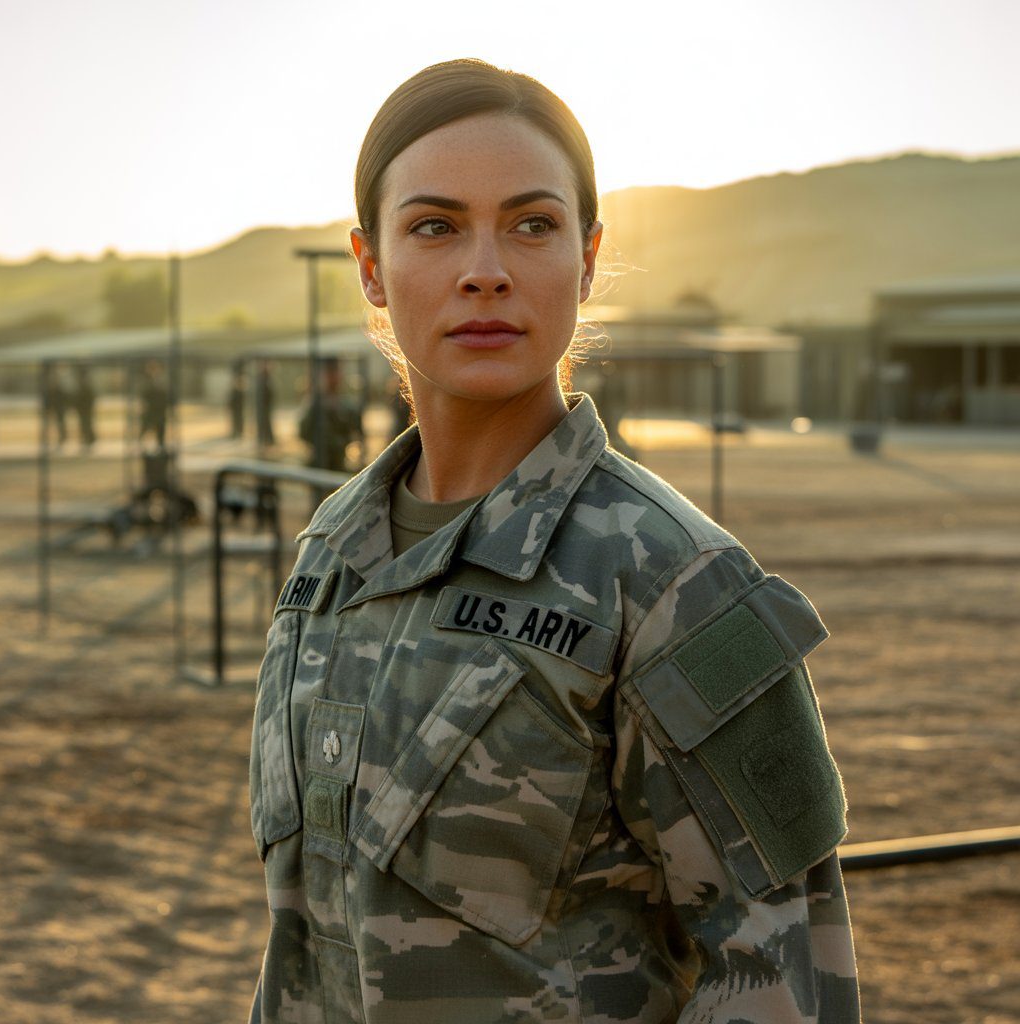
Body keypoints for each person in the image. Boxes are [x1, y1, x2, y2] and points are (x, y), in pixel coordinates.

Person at [248, 59, 860, 1024]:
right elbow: (308, 940)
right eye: (434, 226)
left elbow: (785, 981)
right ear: (370, 266)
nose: (484, 268)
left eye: (533, 224)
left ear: (586, 257)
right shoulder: (331, 552)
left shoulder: (673, 587)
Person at [297, 358, 364, 472]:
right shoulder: (315, 404)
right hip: (319, 462)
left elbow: (357, 431)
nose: (334, 377)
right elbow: (303, 432)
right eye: (330, 373)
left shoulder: (345, 404)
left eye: (336, 372)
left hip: (339, 461)